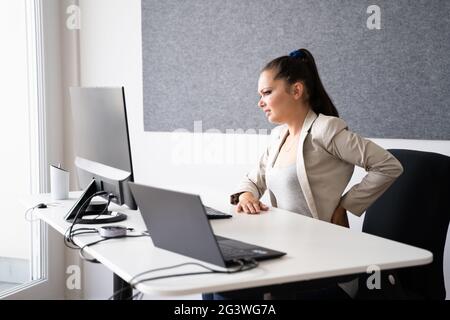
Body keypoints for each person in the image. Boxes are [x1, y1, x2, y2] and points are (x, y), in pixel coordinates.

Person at [205, 48, 403, 300]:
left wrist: (345, 206)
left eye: (266, 92)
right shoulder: (279, 136)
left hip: (323, 264)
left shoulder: (325, 130)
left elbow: (388, 165)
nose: (260, 102)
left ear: (296, 91)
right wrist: (246, 195)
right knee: (215, 282)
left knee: (229, 294)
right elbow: (255, 177)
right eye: (260, 95)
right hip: (288, 254)